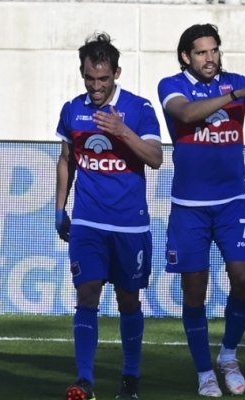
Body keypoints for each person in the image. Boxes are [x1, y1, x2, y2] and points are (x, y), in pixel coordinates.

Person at [157, 23, 245, 397]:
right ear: (186, 56)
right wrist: (235, 94)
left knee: (243, 279)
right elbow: (185, 114)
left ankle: (228, 355)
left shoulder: (236, 83)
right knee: (195, 288)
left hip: (233, 203)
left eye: (214, 50)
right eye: (201, 52)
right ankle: (204, 372)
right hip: (189, 207)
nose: (210, 58)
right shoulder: (172, 85)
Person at [55, 32, 163, 400]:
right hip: (87, 221)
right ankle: (84, 379)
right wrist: (59, 209)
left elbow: (155, 158)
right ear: (82, 73)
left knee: (128, 300)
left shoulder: (139, 108)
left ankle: (130, 377)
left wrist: (122, 131)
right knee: (87, 294)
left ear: (117, 73)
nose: (97, 86)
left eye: (103, 79)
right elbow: (67, 158)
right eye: (90, 78)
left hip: (130, 223)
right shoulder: (73, 110)